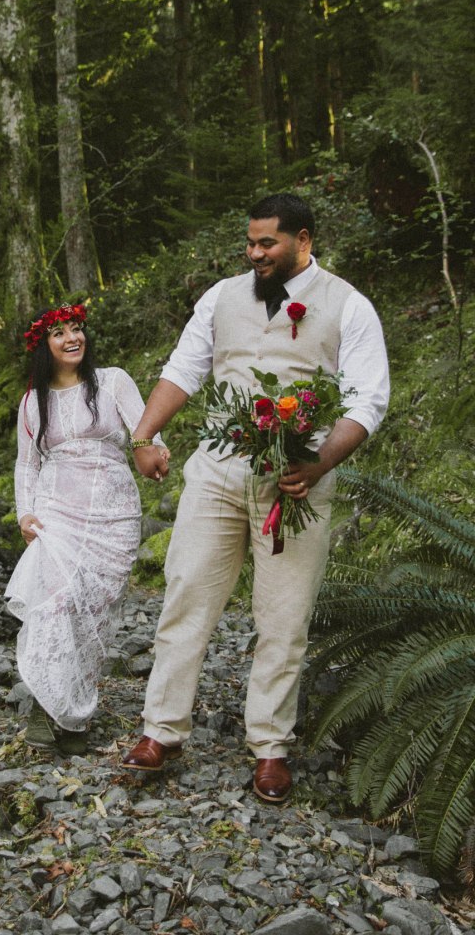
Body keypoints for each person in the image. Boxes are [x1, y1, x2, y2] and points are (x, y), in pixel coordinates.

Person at [123, 193, 389, 802]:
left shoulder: (350, 306)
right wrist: (143, 433)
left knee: (284, 616)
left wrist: (320, 464)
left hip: (299, 477)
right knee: (186, 592)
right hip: (217, 470)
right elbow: (184, 369)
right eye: (250, 242)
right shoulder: (220, 297)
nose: (254, 253)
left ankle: (269, 746)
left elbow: (368, 399)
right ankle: (161, 730)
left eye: (267, 243)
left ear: (304, 240)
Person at [6, 302, 169, 755]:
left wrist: (156, 451)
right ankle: (44, 706)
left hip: (113, 512)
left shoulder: (113, 381)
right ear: (45, 345)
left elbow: (144, 432)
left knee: (92, 612)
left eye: (77, 329)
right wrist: (25, 513)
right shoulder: (31, 402)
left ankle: (74, 712)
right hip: (57, 510)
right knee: (55, 602)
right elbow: (27, 463)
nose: (72, 338)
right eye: (60, 333)